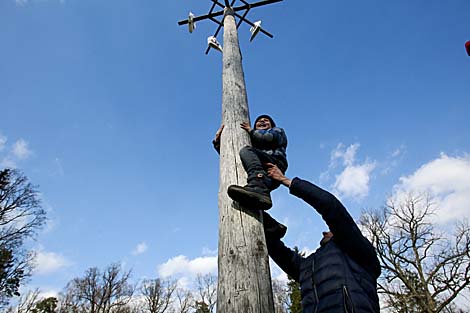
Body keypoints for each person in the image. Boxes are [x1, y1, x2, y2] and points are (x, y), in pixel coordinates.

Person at [262, 163, 381, 313]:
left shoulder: (356, 252)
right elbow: (278, 252)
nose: (324, 232)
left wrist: (286, 181)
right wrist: (260, 216)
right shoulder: (307, 266)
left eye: (331, 231)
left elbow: (331, 207)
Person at [212, 115, 288, 210]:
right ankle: (271, 224)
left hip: (274, 165)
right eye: (259, 121)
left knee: (247, 151)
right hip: (264, 176)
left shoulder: (277, 131)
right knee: (245, 201)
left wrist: (251, 131)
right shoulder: (253, 144)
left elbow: (267, 138)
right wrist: (219, 142)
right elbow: (233, 156)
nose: (262, 121)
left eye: (266, 120)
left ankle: (258, 183)